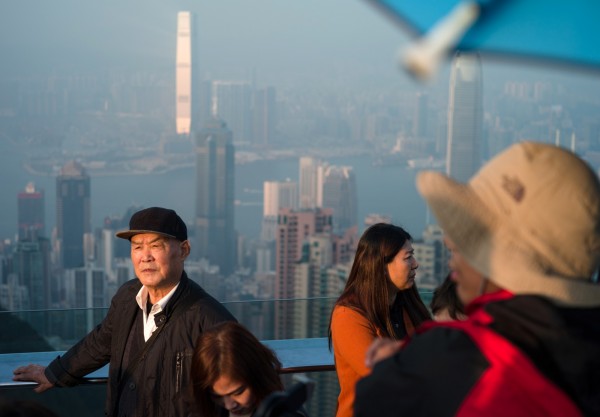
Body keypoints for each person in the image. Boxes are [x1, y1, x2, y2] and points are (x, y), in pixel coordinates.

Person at [355, 142, 600, 417]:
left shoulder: (453, 362)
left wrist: (401, 365)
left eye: (467, 241)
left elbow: (371, 401)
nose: (453, 257)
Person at [13, 206, 237, 417]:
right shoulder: (127, 297)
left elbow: (240, 390)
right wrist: (54, 373)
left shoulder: (210, 320)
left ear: (184, 250)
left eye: (156, 246)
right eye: (137, 246)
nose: (145, 256)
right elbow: (101, 342)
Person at [328, 223, 431, 417]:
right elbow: (379, 375)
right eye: (408, 257)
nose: (415, 263)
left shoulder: (406, 302)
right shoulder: (348, 314)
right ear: (381, 266)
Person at [190, 321, 307, 417]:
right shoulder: (213, 409)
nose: (229, 405)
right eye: (217, 396)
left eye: (238, 392)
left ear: (258, 375)